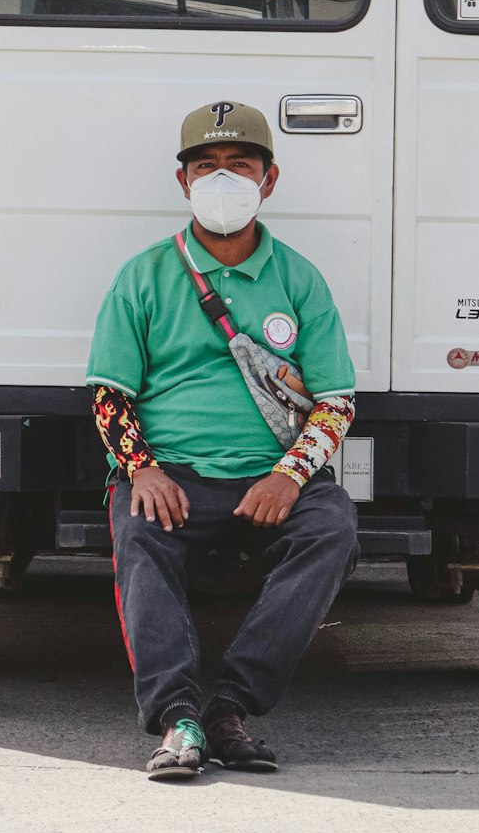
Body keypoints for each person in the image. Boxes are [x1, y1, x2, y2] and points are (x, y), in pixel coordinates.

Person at [87, 100, 359, 781]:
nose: (222, 179)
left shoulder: (299, 279)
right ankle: (178, 718)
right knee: (138, 528)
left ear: (269, 180)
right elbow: (110, 395)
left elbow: (335, 402)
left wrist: (291, 476)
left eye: (240, 165)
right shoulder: (143, 276)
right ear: (183, 182)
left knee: (333, 528)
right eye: (206, 166)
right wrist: (142, 471)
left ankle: (229, 707)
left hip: (270, 478)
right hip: (172, 477)